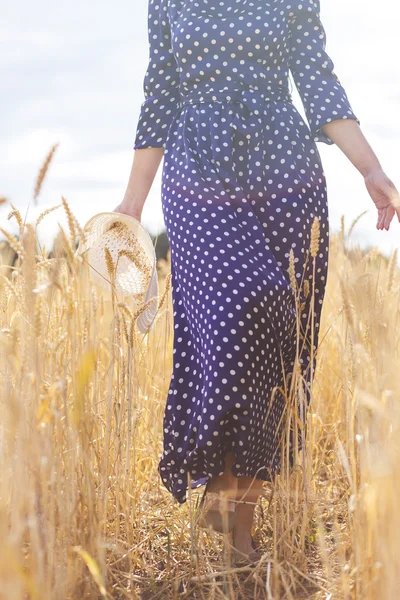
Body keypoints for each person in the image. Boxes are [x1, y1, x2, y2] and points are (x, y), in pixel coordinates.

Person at [114, 0, 400, 563]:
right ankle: (220, 521)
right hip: (197, 161)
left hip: (283, 166)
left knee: (275, 338)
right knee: (239, 312)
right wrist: (132, 201)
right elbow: (161, 92)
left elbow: (317, 79)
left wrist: (370, 168)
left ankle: (233, 523)